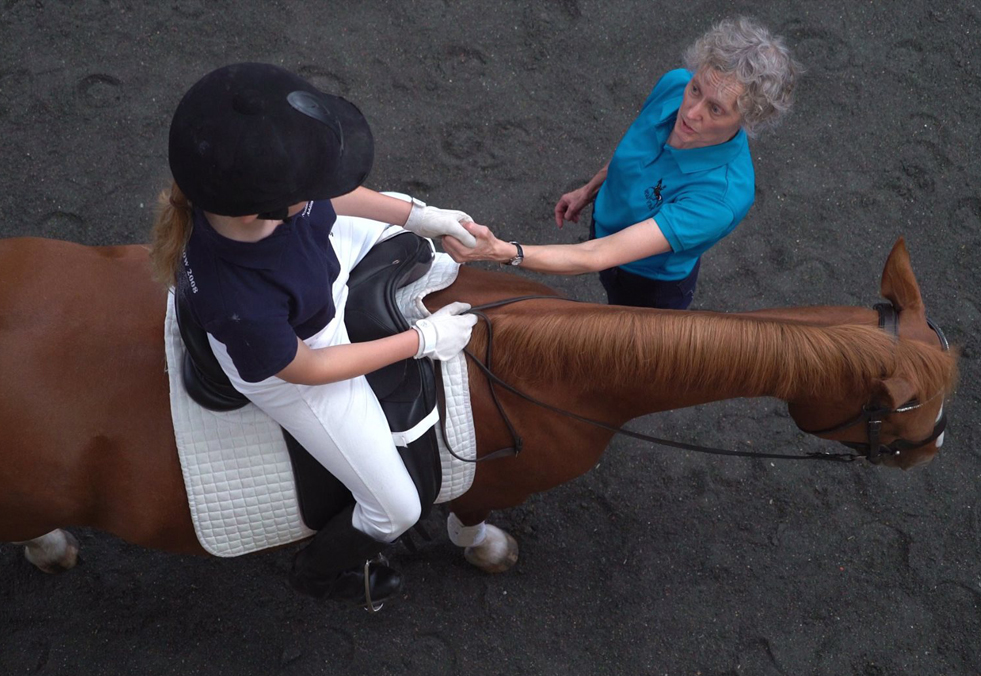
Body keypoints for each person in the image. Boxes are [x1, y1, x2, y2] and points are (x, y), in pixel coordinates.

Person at [149, 63, 478, 607]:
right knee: (397, 508)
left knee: (405, 232)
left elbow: (334, 200)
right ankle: (320, 574)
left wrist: (423, 216)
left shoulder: (258, 200)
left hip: (313, 272)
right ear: (268, 205)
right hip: (304, 358)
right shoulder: (239, 297)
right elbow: (308, 368)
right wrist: (423, 339)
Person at [444, 17, 800, 310]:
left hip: (647, 284)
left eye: (716, 108)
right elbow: (635, 148)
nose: (690, 112)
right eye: (697, 90)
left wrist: (500, 252)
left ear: (748, 120)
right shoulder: (674, 84)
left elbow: (596, 256)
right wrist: (592, 187)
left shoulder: (721, 198)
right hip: (606, 229)